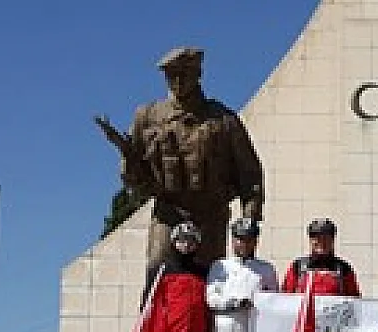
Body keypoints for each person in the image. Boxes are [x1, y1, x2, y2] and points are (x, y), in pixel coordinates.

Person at [99, 46, 265, 271]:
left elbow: (250, 173)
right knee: (159, 275)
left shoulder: (223, 119)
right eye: (170, 75)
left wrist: (250, 219)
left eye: (183, 74)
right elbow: (130, 178)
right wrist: (129, 161)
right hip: (169, 212)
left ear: (198, 74)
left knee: (211, 282)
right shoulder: (148, 117)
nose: (177, 81)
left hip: (211, 215)